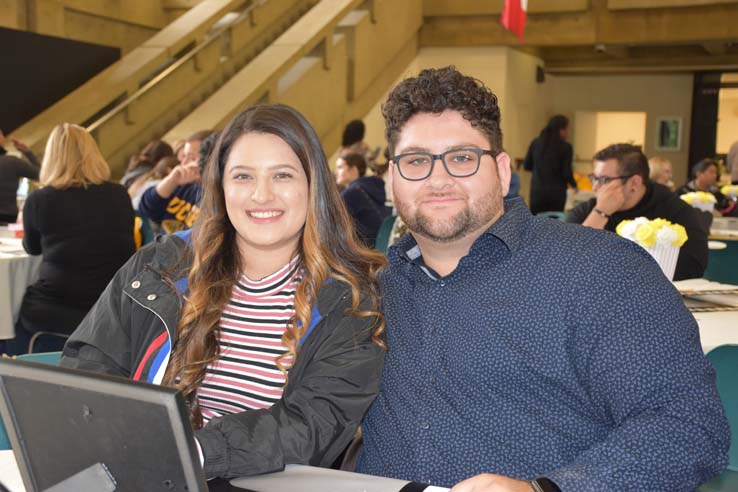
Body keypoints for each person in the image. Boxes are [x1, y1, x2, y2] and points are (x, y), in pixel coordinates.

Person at [356, 67, 728, 491]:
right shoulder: (366, 291)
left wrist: (544, 489)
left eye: (462, 157)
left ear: (500, 169)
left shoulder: (600, 270)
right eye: (416, 160)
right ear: (392, 177)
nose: (438, 179)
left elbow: (688, 424)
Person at [60, 104, 386, 479]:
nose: (262, 195)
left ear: (314, 187)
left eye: (282, 175)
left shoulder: (350, 301)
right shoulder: (161, 265)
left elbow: (314, 424)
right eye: (243, 176)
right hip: (139, 470)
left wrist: (192, 450)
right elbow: (90, 363)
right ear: (221, 186)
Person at [5, 124, 135, 355]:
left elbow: (32, 248)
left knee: (7, 321)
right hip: (111, 304)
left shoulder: (40, 199)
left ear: (51, 157)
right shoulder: (119, 194)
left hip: (57, 306)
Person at [567, 143, 708, 280]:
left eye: (604, 180)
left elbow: (696, 263)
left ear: (634, 183)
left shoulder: (672, 208)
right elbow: (566, 260)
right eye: (594, 178)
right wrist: (601, 213)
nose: (595, 187)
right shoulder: (587, 211)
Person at [138, 130, 210, 233]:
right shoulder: (183, 185)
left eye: (191, 158)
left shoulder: (219, 196)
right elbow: (147, 210)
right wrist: (171, 180)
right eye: (184, 156)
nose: (184, 163)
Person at [523, 115, 576, 214]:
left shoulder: (535, 143)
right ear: (561, 130)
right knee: (553, 225)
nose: (568, 133)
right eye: (567, 129)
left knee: (536, 224)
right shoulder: (566, 147)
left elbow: (527, 165)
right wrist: (574, 185)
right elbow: (566, 172)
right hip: (556, 194)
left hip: (537, 192)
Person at [335, 152, 389, 247]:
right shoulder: (373, 184)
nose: (336, 172)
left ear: (353, 169)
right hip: (388, 236)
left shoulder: (349, 195)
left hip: (375, 249)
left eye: (340, 167)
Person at [0, 130, 40, 223]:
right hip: (8, 216)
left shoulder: (12, 162)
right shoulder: (12, 162)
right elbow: (42, 174)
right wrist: (27, 153)